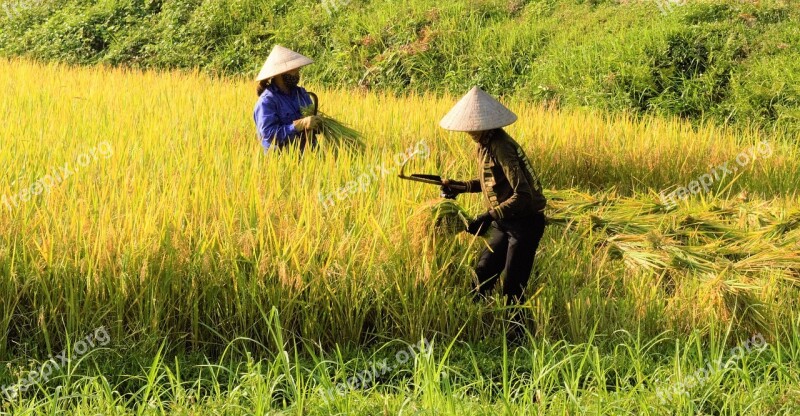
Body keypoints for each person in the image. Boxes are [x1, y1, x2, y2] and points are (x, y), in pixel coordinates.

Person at [440, 86, 548, 307]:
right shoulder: (483, 145)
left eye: (473, 127)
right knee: (483, 274)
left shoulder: (501, 146)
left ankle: (517, 338)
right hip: (504, 221)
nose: (469, 132)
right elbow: (490, 182)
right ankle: (476, 326)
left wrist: (488, 216)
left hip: (524, 223)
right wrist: (458, 187)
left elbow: (523, 195)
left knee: (512, 288)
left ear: (484, 124)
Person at [253, 45, 322, 152]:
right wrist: (299, 125)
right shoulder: (267, 101)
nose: (298, 74)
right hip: (282, 160)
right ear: (280, 74)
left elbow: (313, 127)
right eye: (294, 71)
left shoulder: (302, 94)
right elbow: (269, 135)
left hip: (309, 155)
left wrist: (318, 122)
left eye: (298, 70)